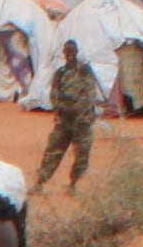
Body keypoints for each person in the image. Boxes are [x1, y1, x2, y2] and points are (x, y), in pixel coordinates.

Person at [35, 44, 98, 195]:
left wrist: (77, 109)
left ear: (76, 52)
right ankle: (40, 183)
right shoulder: (60, 73)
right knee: (53, 152)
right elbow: (54, 94)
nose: (70, 54)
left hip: (81, 121)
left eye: (72, 51)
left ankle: (73, 185)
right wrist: (61, 108)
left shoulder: (84, 71)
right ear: (63, 53)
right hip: (64, 121)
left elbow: (89, 94)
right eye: (67, 51)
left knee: (82, 154)